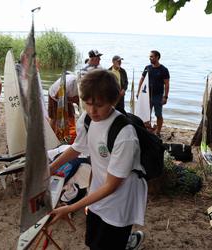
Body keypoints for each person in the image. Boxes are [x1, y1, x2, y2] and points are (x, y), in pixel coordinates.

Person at [49, 69, 147, 250]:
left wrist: (70, 208)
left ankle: (129, 241)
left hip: (119, 201)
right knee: (93, 241)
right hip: (96, 194)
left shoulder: (124, 135)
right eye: (87, 103)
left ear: (114, 100)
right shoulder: (87, 119)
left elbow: (112, 186)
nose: (92, 111)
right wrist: (50, 169)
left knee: (108, 242)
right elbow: (77, 148)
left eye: (99, 105)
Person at [137, 50, 170, 137]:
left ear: (157, 57)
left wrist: (165, 97)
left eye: (152, 56)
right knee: (146, 113)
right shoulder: (147, 67)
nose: (150, 58)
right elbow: (142, 80)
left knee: (158, 114)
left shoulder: (164, 70)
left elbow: (167, 84)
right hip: (146, 95)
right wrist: (139, 92)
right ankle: (148, 129)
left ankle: (158, 131)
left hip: (158, 96)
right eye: (150, 56)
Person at [48, 72, 79, 143]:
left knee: (71, 115)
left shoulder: (83, 85)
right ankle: (52, 138)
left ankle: (69, 135)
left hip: (67, 96)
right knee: (54, 118)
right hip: (55, 96)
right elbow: (57, 96)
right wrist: (72, 99)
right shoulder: (70, 84)